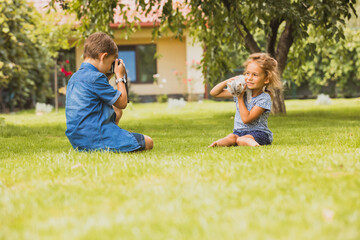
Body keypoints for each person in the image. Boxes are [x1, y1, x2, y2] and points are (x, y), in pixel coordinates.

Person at [65, 32, 153, 152]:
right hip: (95, 137)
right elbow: (122, 103)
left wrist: (109, 75)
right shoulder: (96, 78)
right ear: (103, 56)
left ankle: (113, 138)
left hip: (78, 140)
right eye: (110, 62)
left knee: (116, 110)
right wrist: (119, 77)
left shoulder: (74, 78)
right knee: (148, 142)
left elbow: (98, 94)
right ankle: (109, 143)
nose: (109, 67)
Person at [209, 53, 282, 147]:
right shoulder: (241, 91)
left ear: (266, 79)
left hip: (259, 133)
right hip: (238, 132)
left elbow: (246, 119)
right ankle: (218, 143)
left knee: (244, 138)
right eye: (247, 73)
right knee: (231, 137)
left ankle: (253, 144)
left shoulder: (264, 98)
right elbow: (214, 93)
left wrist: (239, 97)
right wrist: (227, 81)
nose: (249, 78)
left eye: (255, 75)